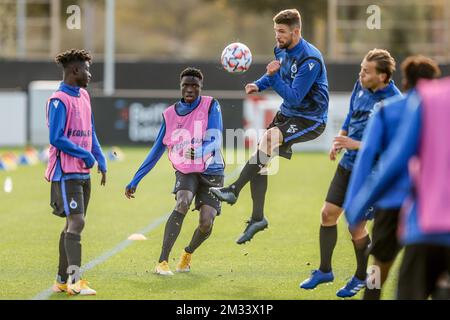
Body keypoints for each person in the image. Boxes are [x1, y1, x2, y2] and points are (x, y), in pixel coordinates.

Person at [210, 8, 329, 244]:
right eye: (276, 32)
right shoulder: (281, 49)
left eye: (282, 32)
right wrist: (258, 84)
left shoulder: (310, 59)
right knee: (262, 157)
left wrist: (271, 79)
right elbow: (276, 74)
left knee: (271, 138)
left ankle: (233, 190)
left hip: (311, 119)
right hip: (288, 113)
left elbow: (295, 95)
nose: (278, 37)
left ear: (296, 31)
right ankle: (257, 218)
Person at [300, 49, 401, 298]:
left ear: (383, 76)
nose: (361, 74)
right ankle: (325, 271)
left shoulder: (395, 102)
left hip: (371, 173)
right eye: (361, 69)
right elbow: (351, 113)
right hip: (348, 166)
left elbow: (395, 146)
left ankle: (359, 276)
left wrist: (357, 144)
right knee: (327, 214)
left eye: (366, 71)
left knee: (355, 227)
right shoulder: (360, 85)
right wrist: (342, 138)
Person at [343, 55, 441, 300]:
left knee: (378, 266)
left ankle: (372, 296)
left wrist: (356, 204)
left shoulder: (387, 111)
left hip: (392, 201)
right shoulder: (440, 111)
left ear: (405, 82)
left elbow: (368, 158)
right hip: (432, 206)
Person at [125, 67, 225, 276]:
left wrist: (198, 152)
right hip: (186, 168)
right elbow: (156, 149)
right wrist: (136, 179)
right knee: (183, 201)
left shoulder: (211, 105)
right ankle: (162, 261)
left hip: (212, 169)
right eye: (186, 86)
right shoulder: (170, 114)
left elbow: (215, 139)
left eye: (194, 86)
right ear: (180, 87)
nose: (190, 89)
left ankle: (187, 253)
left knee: (206, 222)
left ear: (200, 88)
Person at [46, 49, 107, 296]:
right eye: (87, 69)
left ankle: (62, 280)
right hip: (66, 171)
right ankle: (74, 280)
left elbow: (90, 131)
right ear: (75, 71)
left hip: (84, 172)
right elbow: (56, 137)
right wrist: (85, 155)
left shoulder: (83, 96)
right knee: (77, 222)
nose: (90, 74)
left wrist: (100, 159)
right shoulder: (58, 99)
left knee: (73, 224)